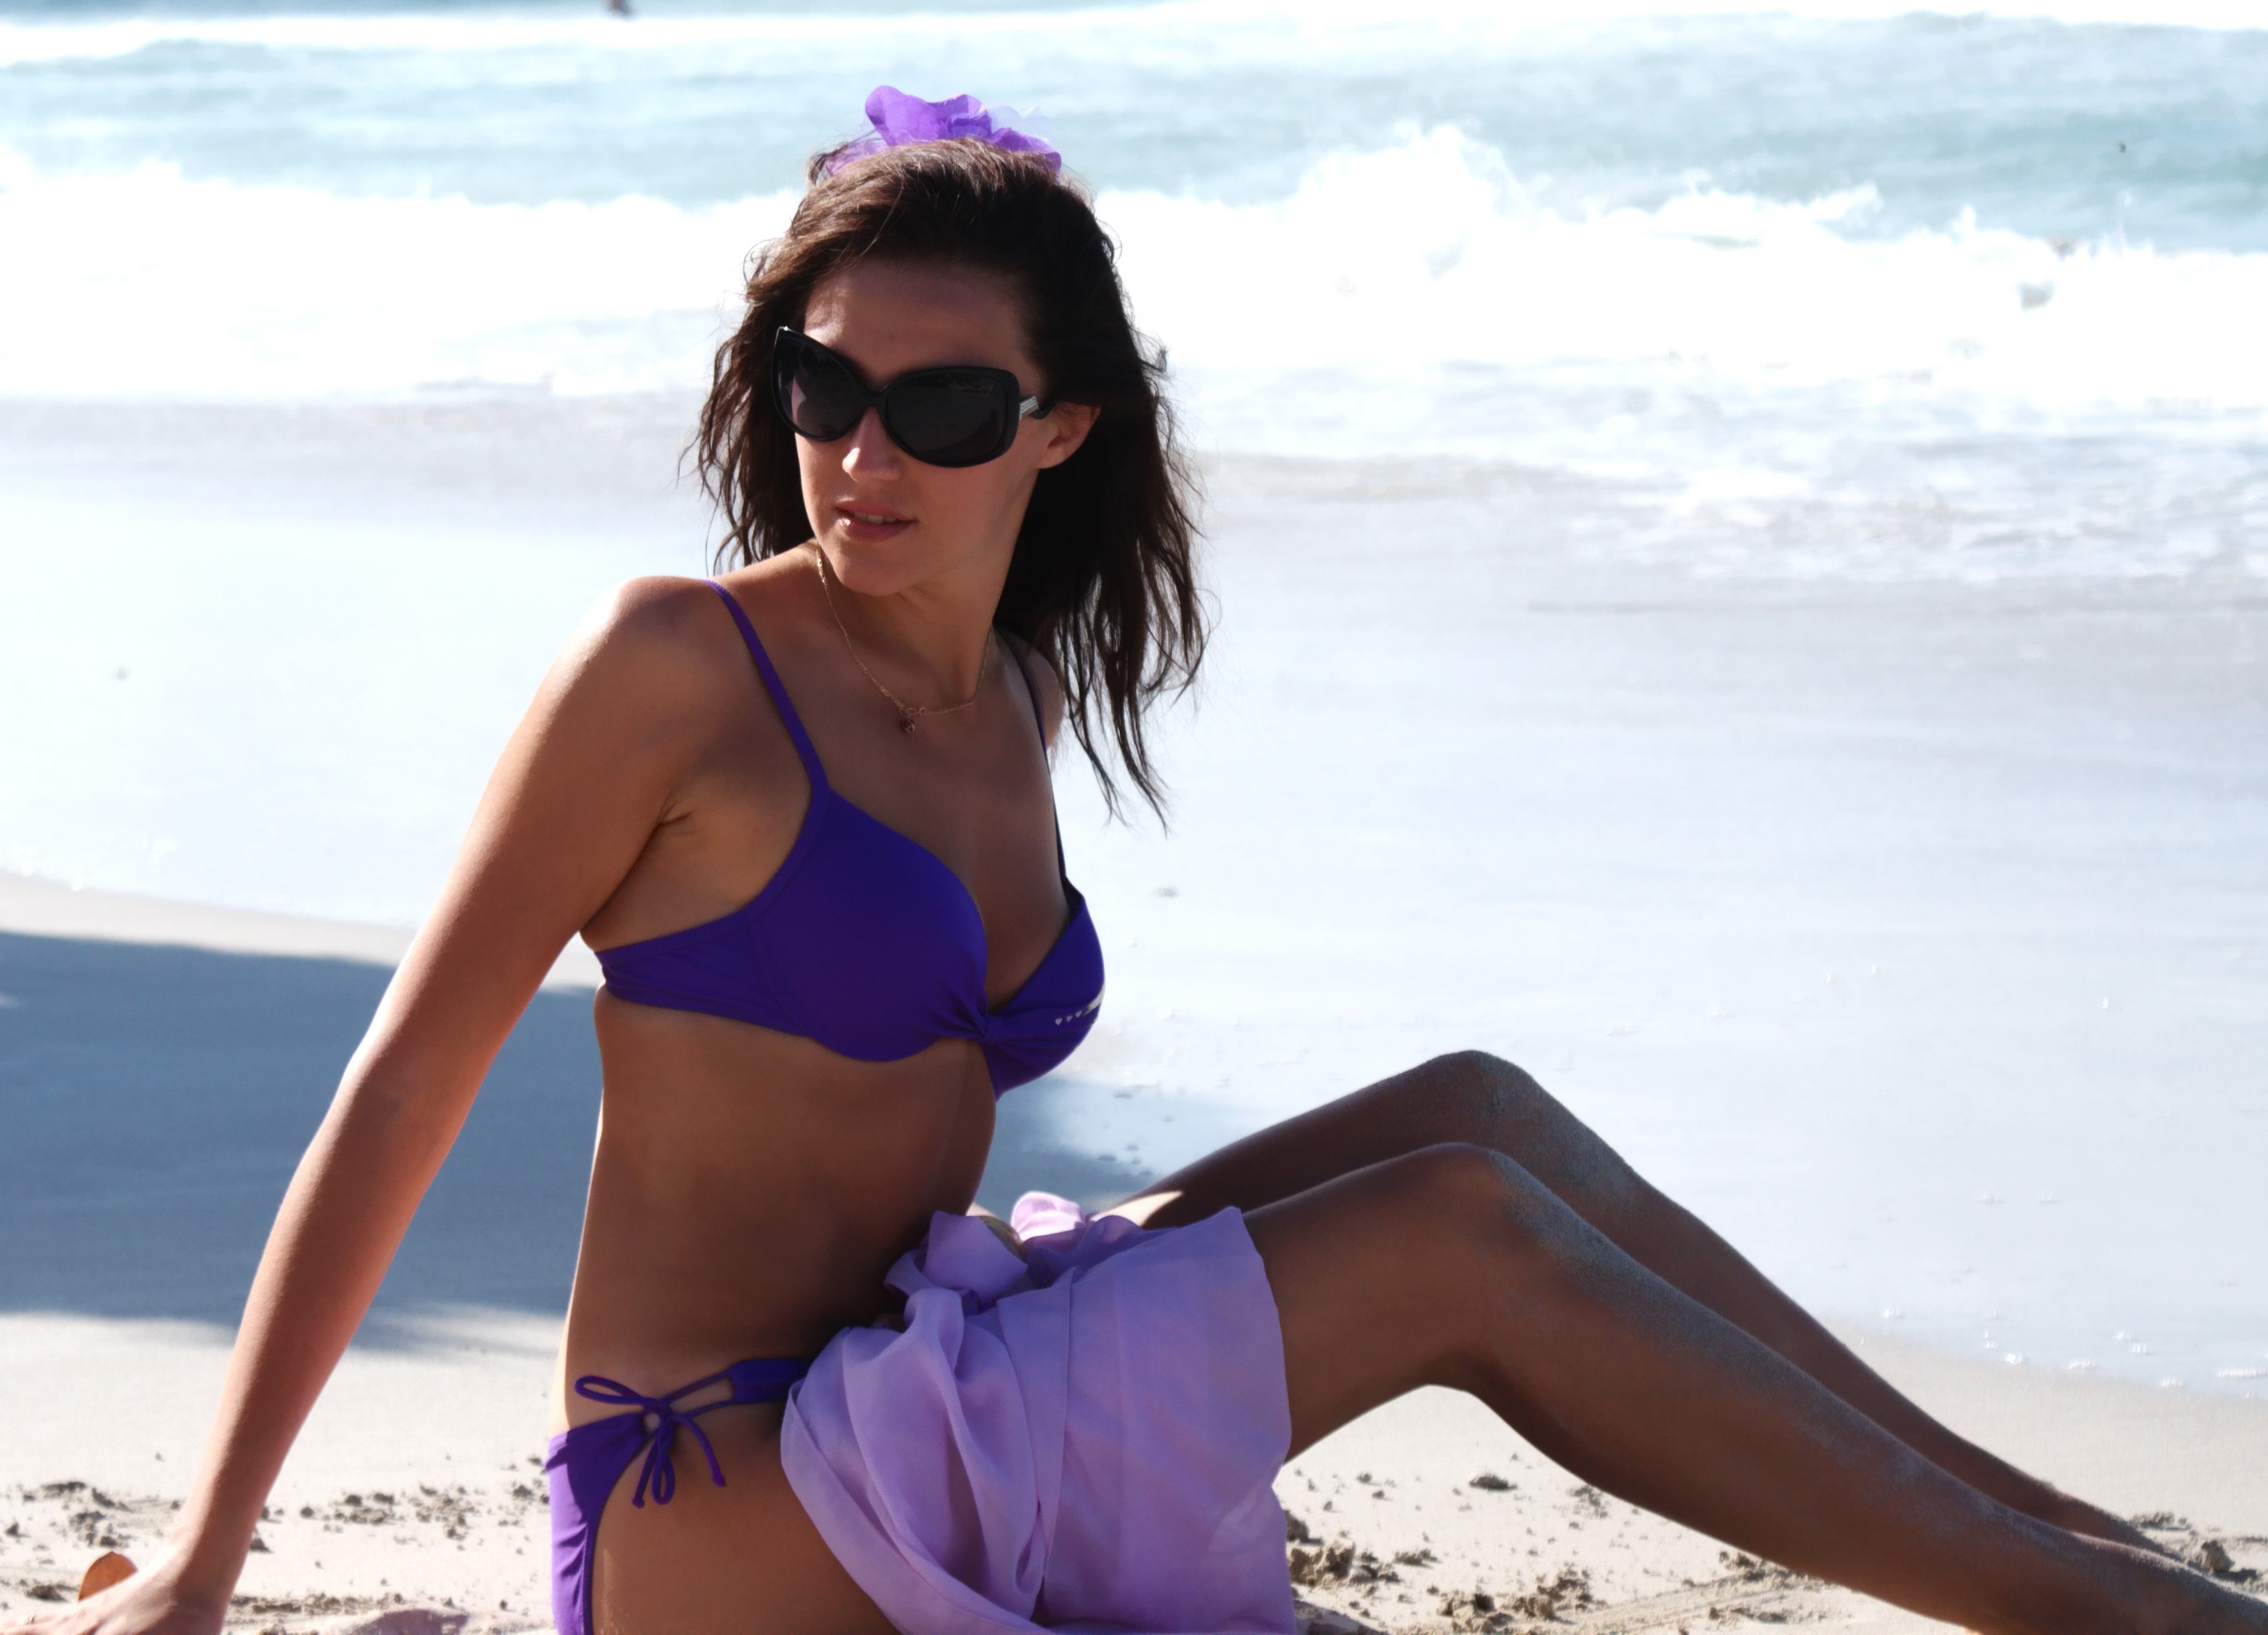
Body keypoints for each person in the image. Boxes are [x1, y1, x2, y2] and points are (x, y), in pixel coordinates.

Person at [19, 88, 2265, 1635]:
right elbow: (404, 1084)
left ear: (1059, 424)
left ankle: (2052, 1529)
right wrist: (209, 1552)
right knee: (1458, 1227)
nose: (864, 452)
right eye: (823, 387)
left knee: (1473, 1108)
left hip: (925, 1381)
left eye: (942, 408)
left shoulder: (1006, 696)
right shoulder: (676, 668)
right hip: (729, 1497)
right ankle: (2105, 1614)